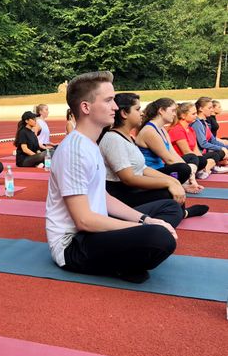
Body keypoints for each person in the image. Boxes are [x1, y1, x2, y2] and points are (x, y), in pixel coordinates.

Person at [46, 71, 182, 284]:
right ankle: (123, 262)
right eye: (109, 100)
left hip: (95, 228)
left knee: (170, 209)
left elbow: (103, 197)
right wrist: (144, 228)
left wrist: (146, 219)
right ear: (86, 107)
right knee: (159, 237)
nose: (116, 107)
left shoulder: (90, 144)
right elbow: (83, 220)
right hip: (73, 245)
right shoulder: (74, 151)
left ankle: (125, 260)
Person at [99, 94, 207, 218]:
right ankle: (181, 213)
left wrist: (174, 181)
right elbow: (128, 179)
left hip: (133, 187)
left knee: (174, 187)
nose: (141, 113)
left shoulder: (127, 137)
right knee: (169, 195)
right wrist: (168, 183)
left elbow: (143, 168)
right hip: (122, 194)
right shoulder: (114, 140)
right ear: (124, 113)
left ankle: (179, 212)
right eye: (137, 109)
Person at [135, 98, 203, 191]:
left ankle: (181, 183)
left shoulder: (162, 129)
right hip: (152, 173)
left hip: (161, 168)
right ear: (161, 111)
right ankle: (178, 184)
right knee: (184, 168)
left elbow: (172, 153)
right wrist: (189, 173)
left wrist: (190, 174)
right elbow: (168, 159)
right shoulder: (150, 131)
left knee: (191, 157)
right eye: (173, 111)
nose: (175, 114)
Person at [168, 102, 217, 180]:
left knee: (209, 158)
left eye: (196, 113)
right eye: (193, 114)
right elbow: (186, 152)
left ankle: (202, 169)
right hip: (181, 160)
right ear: (183, 116)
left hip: (191, 158)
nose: (196, 116)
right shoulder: (177, 129)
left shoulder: (190, 129)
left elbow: (195, 150)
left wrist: (203, 162)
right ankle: (198, 172)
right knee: (198, 158)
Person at [191, 97, 228, 173]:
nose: (212, 110)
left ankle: (214, 163)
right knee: (219, 153)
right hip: (201, 153)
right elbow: (203, 143)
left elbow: (213, 140)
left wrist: (224, 147)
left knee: (224, 149)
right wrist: (221, 148)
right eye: (209, 108)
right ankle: (210, 166)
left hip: (207, 150)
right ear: (201, 109)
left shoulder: (205, 122)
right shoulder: (197, 123)